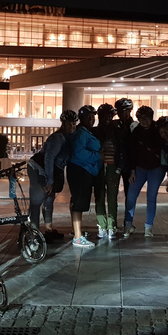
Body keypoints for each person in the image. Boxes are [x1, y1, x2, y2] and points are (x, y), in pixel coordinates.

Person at [27, 110, 78, 242]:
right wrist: (49, 181)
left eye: (74, 123)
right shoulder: (58, 138)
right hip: (38, 167)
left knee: (49, 199)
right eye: (69, 124)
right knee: (37, 201)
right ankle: (34, 234)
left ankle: (49, 230)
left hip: (52, 169)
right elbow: (49, 158)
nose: (72, 126)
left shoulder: (70, 137)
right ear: (63, 123)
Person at [123, 106, 165, 238]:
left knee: (151, 197)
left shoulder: (158, 130)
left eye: (146, 118)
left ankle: (149, 227)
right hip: (139, 168)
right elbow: (132, 153)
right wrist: (132, 170)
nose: (144, 121)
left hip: (156, 168)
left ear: (151, 117)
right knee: (131, 196)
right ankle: (128, 225)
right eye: (141, 118)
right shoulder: (136, 132)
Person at [67, 105, 100, 248]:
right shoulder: (81, 133)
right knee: (78, 203)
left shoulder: (85, 131)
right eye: (88, 117)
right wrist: (99, 155)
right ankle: (78, 237)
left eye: (93, 117)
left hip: (83, 171)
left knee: (77, 201)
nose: (91, 119)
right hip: (80, 170)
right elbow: (79, 152)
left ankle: (77, 232)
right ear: (81, 118)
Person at [91, 103, 124, 239]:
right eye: (104, 115)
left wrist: (117, 171)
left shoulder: (117, 131)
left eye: (109, 116)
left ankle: (112, 226)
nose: (106, 118)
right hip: (98, 168)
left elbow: (122, 151)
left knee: (112, 198)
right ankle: (102, 225)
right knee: (99, 197)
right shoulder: (94, 131)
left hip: (112, 167)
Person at [113, 97, 136, 209]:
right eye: (119, 111)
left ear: (130, 110)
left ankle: (128, 221)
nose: (122, 113)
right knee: (112, 194)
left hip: (129, 164)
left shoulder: (135, 126)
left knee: (130, 194)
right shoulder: (113, 125)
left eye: (125, 110)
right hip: (115, 163)